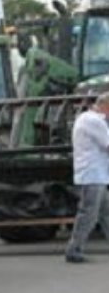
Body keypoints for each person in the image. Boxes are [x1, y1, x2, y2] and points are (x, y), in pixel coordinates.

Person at [65, 92, 109, 263]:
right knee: (89, 214)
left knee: (106, 212)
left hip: (96, 174)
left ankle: (75, 248)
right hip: (93, 174)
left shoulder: (87, 118)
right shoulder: (94, 121)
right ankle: (74, 249)